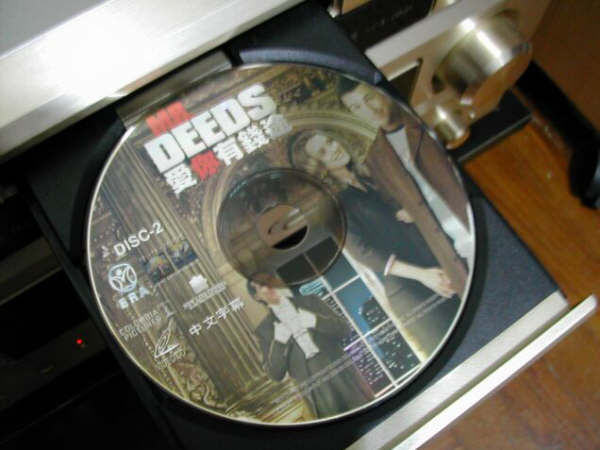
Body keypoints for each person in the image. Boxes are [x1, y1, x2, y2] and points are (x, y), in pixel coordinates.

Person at [336, 78, 473, 260]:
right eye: (357, 107)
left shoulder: (424, 118)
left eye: (369, 98)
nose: (370, 110)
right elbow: (393, 200)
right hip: (455, 246)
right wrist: (406, 209)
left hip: (475, 215)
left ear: (382, 92)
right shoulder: (374, 158)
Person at [248, 279, 373, 419]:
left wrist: (316, 321)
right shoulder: (263, 330)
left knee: (367, 412)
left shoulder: (311, 301)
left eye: (269, 280)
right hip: (311, 383)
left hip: (339, 366)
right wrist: (279, 342)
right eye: (262, 285)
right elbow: (275, 375)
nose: (269, 285)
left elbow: (345, 330)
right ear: (257, 296)